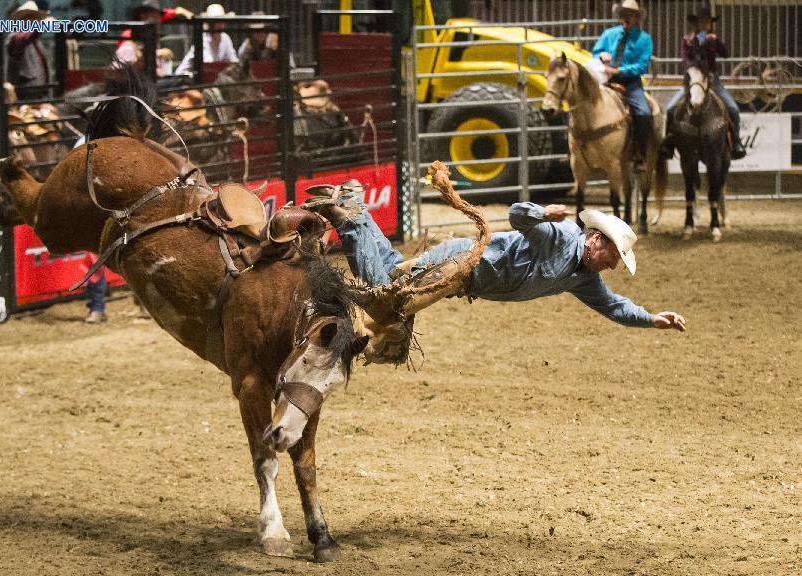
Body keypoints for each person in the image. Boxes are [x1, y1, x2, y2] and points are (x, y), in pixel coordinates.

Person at [318, 183, 685, 361]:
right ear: (595, 239)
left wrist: (651, 319)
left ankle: (354, 208)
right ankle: (350, 211)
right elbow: (515, 215)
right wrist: (542, 213)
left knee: (389, 272)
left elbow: (614, 306)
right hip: (459, 263)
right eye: (612, 256)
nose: (611, 265)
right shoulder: (559, 236)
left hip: (462, 275)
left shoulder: (583, 276)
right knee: (385, 296)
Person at [662, 3, 746, 160]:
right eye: (702, 22)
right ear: (696, 23)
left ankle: (736, 142)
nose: (704, 25)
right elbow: (684, 60)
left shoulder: (713, 39)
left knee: (733, 109)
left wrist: (717, 42)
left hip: (712, 79)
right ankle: (669, 144)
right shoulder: (687, 39)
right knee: (670, 108)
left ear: (710, 24)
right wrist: (697, 48)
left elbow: (725, 54)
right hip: (694, 78)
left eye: (707, 22)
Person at [591, 0, 654, 172]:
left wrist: (619, 70)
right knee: (583, 102)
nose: (626, 17)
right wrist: (601, 55)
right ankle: (577, 144)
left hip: (630, 83)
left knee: (643, 112)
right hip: (606, 80)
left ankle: (640, 155)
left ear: (636, 18)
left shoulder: (644, 39)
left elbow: (642, 65)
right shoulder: (608, 34)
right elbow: (595, 52)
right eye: (624, 13)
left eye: (631, 14)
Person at [6, 1, 52, 101]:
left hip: (40, 94)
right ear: (24, 20)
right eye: (34, 18)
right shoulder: (14, 38)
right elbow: (22, 38)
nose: (37, 21)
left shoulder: (36, 40)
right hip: (25, 94)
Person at [174, 4, 238, 76]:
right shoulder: (203, 38)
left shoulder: (225, 37)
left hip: (210, 78)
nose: (221, 25)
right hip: (186, 77)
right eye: (218, 22)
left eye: (222, 21)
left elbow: (233, 61)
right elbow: (207, 65)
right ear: (210, 24)